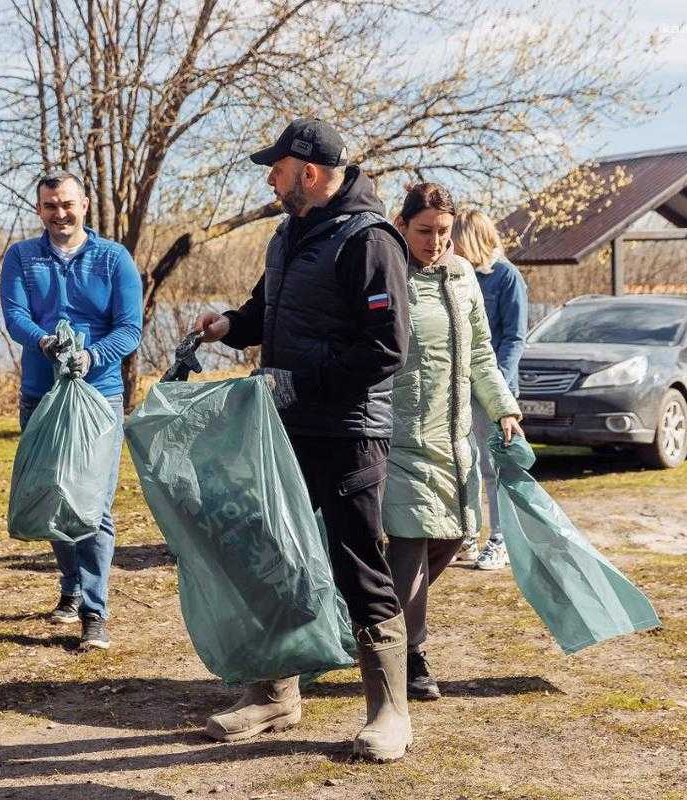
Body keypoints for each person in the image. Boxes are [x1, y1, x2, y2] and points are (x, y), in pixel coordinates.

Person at [191, 119, 413, 762]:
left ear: (309, 172)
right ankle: (275, 694)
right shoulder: (290, 235)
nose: (269, 177)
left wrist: (301, 380)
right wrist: (230, 324)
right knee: (275, 556)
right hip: (286, 426)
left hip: (348, 434)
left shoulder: (369, 241)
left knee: (357, 566)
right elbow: (267, 313)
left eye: (277, 167)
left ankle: (389, 712)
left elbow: (385, 348)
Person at [383, 183, 522, 701]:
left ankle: (377, 621)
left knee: (456, 536)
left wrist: (503, 406)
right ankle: (411, 654)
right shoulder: (388, 271)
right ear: (403, 225)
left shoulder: (463, 275)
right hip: (398, 433)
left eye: (443, 231)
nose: (435, 241)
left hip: (454, 432)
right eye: (424, 231)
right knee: (411, 541)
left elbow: (482, 351)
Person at [0, 171, 142, 651]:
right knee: (53, 497)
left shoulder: (113, 259)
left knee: (94, 506)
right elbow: (15, 315)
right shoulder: (22, 257)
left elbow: (129, 328)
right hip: (41, 397)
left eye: (67, 204)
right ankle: (71, 588)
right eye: (49, 206)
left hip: (98, 398)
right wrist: (43, 341)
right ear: (39, 210)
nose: (60, 214)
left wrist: (92, 356)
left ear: (83, 204)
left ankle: (96, 613)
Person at [451, 209, 528, 570]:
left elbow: (514, 336)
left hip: (492, 387)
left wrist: (499, 385)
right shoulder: (458, 275)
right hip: (459, 387)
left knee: (493, 467)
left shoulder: (506, 277)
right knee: (464, 463)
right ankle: (467, 535)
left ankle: (501, 539)